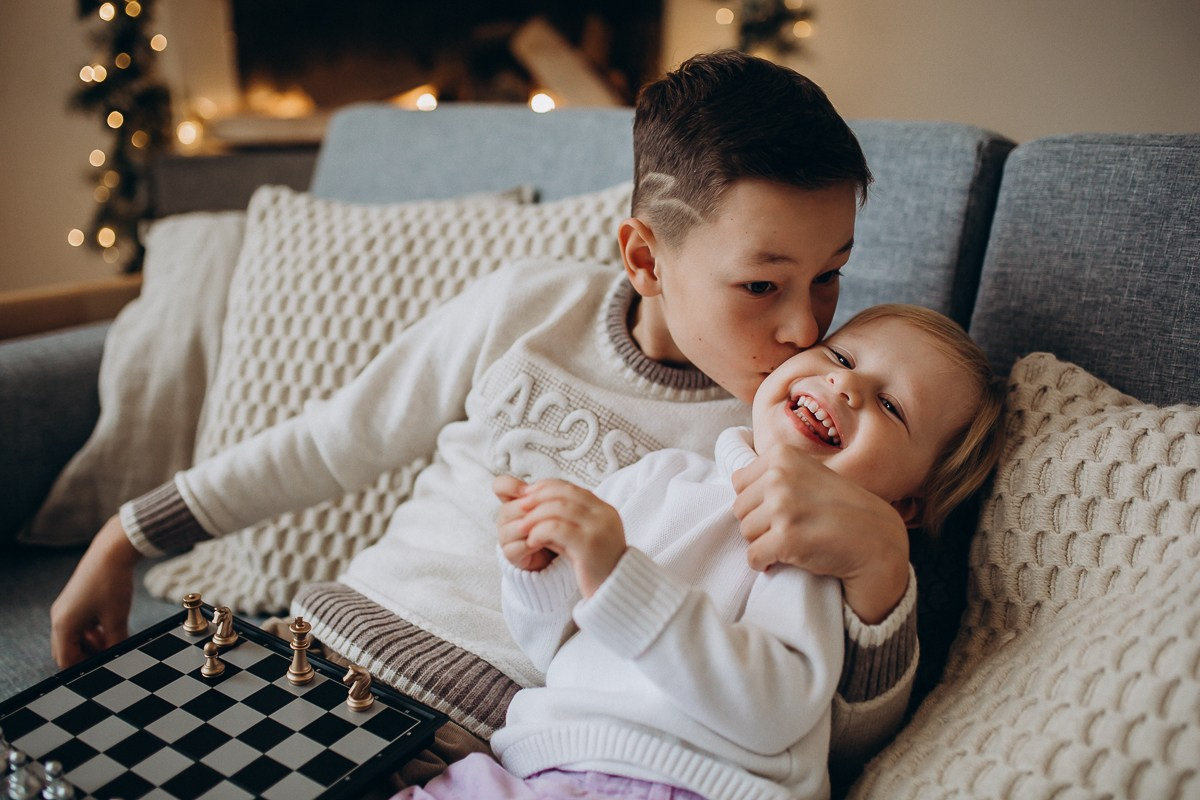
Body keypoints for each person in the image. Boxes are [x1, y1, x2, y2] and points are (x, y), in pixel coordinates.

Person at [50, 50, 916, 775]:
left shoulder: (791, 440)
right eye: (762, 285)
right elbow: (332, 440)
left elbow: (814, 735)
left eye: (830, 275)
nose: (806, 326)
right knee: (65, 757)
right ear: (646, 257)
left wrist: (882, 575)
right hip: (305, 650)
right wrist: (128, 535)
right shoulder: (528, 304)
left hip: (463, 746)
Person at [390, 304, 1002, 800]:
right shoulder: (662, 477)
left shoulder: (815, 560)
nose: (846, 384)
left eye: (892, 407)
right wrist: (536, 569)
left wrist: (616, 576)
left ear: (903, 506)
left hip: (687, 783)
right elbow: (553, 644)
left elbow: (771, 708)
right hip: (536, 759)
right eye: (840, 356)